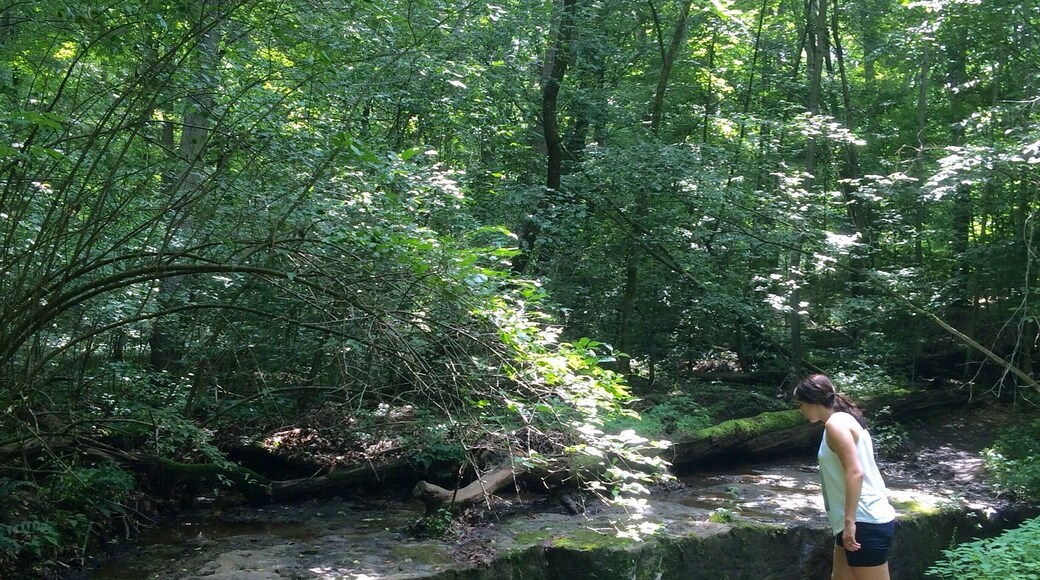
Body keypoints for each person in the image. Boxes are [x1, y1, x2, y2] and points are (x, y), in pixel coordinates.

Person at [793, 374, 897, 580]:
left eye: (801, 404)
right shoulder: (844, 419)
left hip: (863, 520)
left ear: (813, 402)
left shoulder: (836, 424)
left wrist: (850, 522)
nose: (800, 409)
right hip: (856, 520)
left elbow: (855, 471)